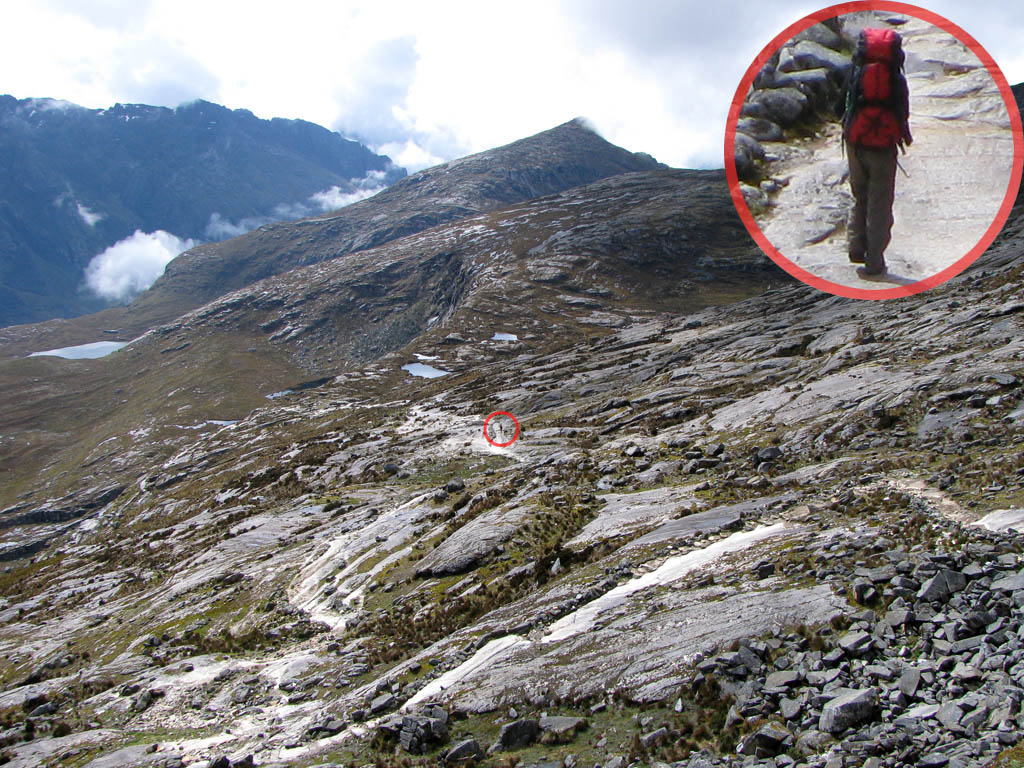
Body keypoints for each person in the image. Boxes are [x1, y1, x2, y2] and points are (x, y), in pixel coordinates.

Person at [842, 27, 913, 277]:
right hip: (882, 149)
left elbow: (841, 105)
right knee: (880, 205)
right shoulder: (896, 79)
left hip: (855, 143)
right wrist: (904, 137)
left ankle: (855, 246)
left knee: (859, 197)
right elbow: (902, 113)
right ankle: (874, 262)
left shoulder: (856, 72)